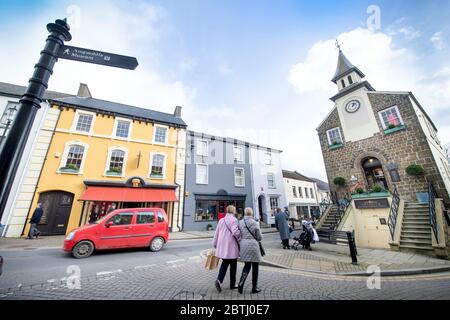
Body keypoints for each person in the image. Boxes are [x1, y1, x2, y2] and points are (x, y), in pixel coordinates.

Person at [212, 205, 241, 293]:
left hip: (222, 245)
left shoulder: (221, 220)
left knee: (224, 263)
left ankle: (219, 280)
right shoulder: (234, 220)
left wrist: (214, 243)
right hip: (231, 245)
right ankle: (232, 284)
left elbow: (217, 232)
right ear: (233, 211)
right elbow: (235, 232)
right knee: (233, 265)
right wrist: (240, 236)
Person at [237, 208, 262, 294]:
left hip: (243, 245)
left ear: (245, 213)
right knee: (255, 267)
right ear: (251, 213)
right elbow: (259, 237)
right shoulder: (254, 222)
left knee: (246, 266)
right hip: (253, 246)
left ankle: (241, 283)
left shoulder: (240, 222)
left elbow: (239, 234)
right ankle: (254, 288)